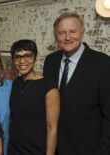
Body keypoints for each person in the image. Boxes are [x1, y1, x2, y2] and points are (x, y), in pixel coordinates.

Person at [43, 12, 110, 155]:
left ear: (82, 32)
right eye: (62, 33)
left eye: (73, 32)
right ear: (56, 36)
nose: (67, 37)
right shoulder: (50, 61)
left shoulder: (103, 64)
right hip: (53, 148)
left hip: (87, 149)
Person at [8, 39, 60, 155]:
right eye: (18, 57)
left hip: (37, 150)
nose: (22, 61)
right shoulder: (15, 83)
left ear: (35, 58)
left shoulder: (48, 85)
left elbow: (52, 128)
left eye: (28, 56)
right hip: (14, 149)